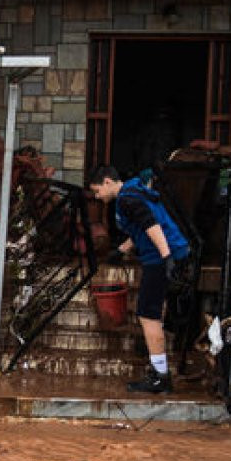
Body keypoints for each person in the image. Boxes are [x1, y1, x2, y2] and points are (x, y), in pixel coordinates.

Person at [88, 165, 191, 394]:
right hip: (165, 255)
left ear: (107, 181)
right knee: (151, 313)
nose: (97, 197)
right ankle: (159, 372)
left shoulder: (127, 199)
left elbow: (152, 227)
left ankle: (160, 376)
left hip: (161, 257)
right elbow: (140, 230)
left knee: (148, 315)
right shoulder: (134, 192)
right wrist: (122, 250)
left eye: (97, 191)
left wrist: (167, 260)